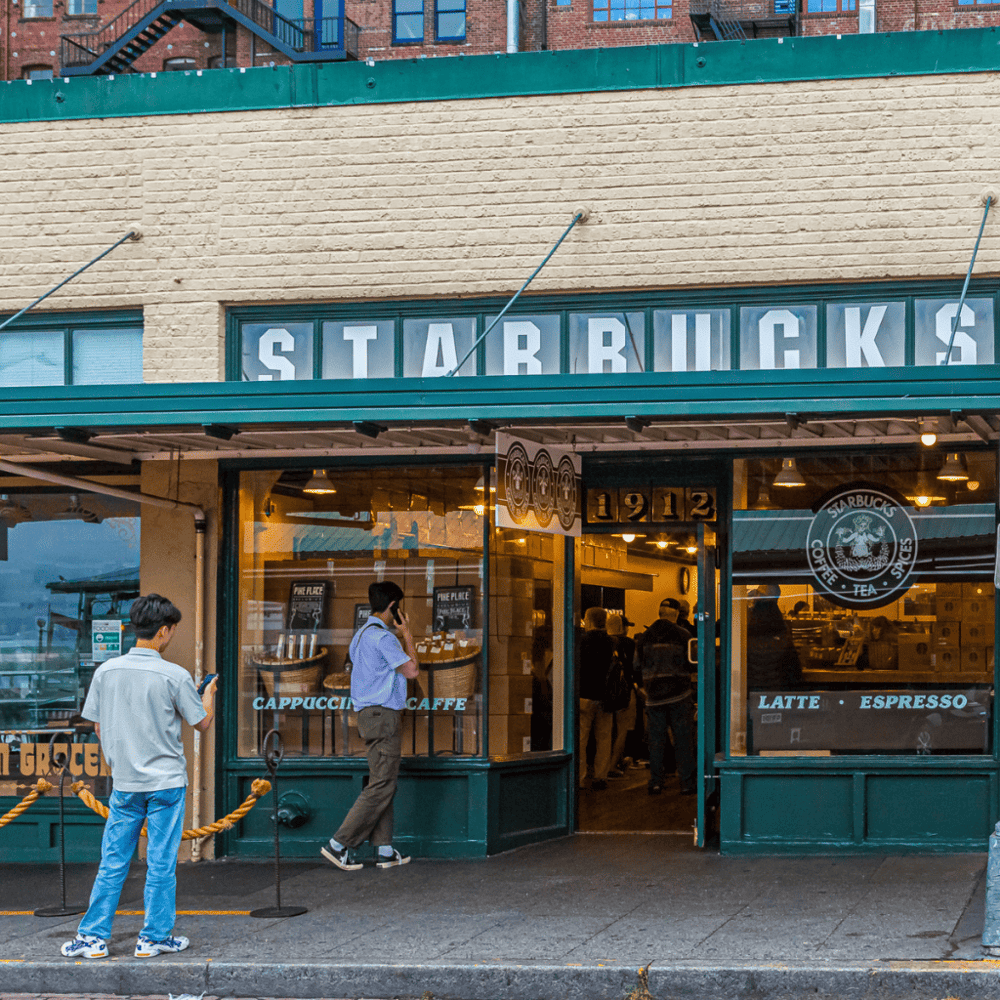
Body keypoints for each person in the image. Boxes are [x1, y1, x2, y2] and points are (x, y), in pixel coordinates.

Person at [60, 594, 217, 961]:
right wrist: (207, 693)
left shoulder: (106, 672)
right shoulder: (174, 675)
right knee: (161, 864)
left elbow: (98, 727)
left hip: (125, 783)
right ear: (163, 631)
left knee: (113, 862)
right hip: (166, 784)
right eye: (172, 630)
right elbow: (202, 722)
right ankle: (154, 937)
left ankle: (92, 937)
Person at [321, 580, 419, 871]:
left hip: (366, 715)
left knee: (383, 781)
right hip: (383, 715)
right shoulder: (384, 638)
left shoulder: (360, 636)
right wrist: (408, 634)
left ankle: (384, 849)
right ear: (393, 607)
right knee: (382, 784)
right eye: (397, 608)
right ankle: (338, 844)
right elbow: (412, 670)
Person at [635, 598, 696, 796]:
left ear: (660, 613)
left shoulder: (645, 637)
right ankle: (686, 783)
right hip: (680, 694)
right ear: (677, 614)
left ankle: (656, 782)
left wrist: (644, 687)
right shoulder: (684, 635)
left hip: (653, 696)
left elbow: (636, 667)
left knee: (656, 741)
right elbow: (693, 663)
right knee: (683, 739)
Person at [577, 606, 615, 791]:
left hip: (584, 695)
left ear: (589, 620)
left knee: (581, 739)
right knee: (604, 738)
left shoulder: (581, 641)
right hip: (606, 697)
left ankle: (580, 777)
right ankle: (601, 776)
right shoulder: (611, 642)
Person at [746, 584, 802, 690]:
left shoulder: (745, 636)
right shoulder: (783, 638)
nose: (755, 596)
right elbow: (794, 672)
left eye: (759, 593)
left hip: (749, 691)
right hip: (775, 692)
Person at [606, 612, 637, 777]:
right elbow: (635, 666)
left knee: (605, 731)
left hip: (604, 693)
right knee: (622, 729)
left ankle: (602, 766)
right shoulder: (628, 643)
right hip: (624, 691)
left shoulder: (603, 642)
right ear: (622, 627)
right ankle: (613, 764)